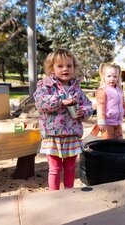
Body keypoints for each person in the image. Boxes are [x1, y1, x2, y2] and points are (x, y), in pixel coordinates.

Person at [34, 49, 93, 190]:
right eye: (60, 66)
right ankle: (54, 194)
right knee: (54, 168)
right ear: (52, 69)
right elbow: (40, 103)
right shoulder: (46, 86)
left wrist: (82, 112)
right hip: (53, 135)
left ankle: (68, 192)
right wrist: (61, 101)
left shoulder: (76, 89)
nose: (65, 69)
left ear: (74, 68)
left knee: (70, 167)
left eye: (69, 66)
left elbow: (88, 106)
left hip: (72, 134)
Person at [96, 62, 125, 139]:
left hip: (118, 123)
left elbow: (123, 103)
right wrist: (101, 121)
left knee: (119, 142)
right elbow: (100, 106)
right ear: (103, 76)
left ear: (118, 77)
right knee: (108, 143)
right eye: (109, 76)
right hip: (107, 123)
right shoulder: (103, 90)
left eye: (115, 76)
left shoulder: (119, 90)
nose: (112, 78)